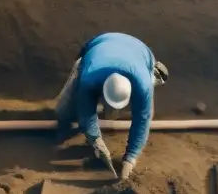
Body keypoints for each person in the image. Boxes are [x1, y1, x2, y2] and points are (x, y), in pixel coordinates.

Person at [54, 32, 168, 180]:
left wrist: (131, 157)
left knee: (145, 100)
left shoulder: (143, 85)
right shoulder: (89, 78)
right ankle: (64, 125)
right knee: (67, 108)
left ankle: (109, 116)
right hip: (99, 45)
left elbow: (143, 119)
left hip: (140, 52)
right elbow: (85, 112)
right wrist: (95, 140)